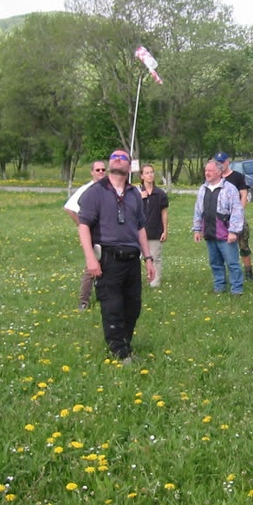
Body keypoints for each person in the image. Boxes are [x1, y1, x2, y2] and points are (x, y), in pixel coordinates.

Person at [77, 149, 156, 362]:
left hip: (132, 259)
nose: (118, 159)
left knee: (133, 305)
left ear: (129, 167)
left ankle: (125, 344)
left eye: (122, 158)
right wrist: (90, 258)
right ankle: (119, 352)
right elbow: (83, 226)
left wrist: (148, 258)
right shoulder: (95, 192)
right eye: (114, 157)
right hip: (108, 257)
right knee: (112, 306)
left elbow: (140, 228)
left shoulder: (134, 195)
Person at [192, 160, 245, 295]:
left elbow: (237, 210)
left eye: (210, 170)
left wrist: (233, 231)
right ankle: (219, 287)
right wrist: (197, 229)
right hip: (209, 232)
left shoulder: (230, 189)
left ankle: (237, 289)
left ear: (219, 172)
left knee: (232, 263)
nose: (207, 173)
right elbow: (198, 210)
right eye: (206, 171)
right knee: (215, 263)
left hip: (225, 233)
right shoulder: (203, 189)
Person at [64, 160, 107, 311]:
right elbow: (69, 208)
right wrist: (83, 225)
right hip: (93, 235)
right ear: (92, 172)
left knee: (108, 267)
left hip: (108, 235)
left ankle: (105, 297)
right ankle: (84, 301)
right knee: (91, 267)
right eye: (98, 170)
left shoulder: (109, 188)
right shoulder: (87, 189)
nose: (101, 172)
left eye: (103, 170)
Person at [216, 152, 253, 281]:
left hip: (236, 216)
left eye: (222, 161)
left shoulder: (237, 177)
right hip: (221, 217)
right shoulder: (217, 177)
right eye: (218, 162)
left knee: (243, 244)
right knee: (223, 245)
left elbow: (243, 195)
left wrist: (239, 213)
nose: (220, 164)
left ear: (228, 162)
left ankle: (248, 271)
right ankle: (226, 272)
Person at [139, 164, 169, 288]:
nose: (150, 175)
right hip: (138, 231)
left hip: (154, 231)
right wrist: (138, 198)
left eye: (151, 172)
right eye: (146, 173)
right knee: (135, 259)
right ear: (142, 176)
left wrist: (165, 230)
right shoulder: (136, 192)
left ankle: (154, 283)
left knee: (155, 257)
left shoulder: (160, 193)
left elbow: (164, 212)